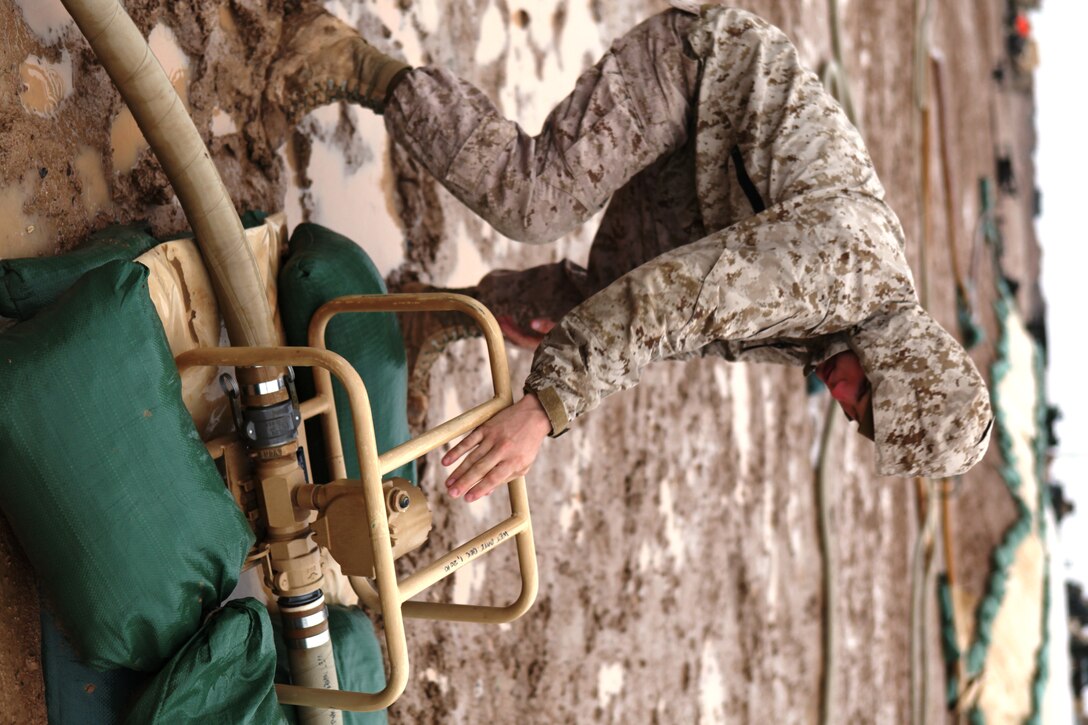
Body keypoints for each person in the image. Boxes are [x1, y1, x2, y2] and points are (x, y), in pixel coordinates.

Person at [265, 2, 993, 503]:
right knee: (535, 198)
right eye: (863, 392)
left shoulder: (848, 331)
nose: (840, 400)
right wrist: (545, 409)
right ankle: (351, 61)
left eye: (858, 417)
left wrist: (569, 352)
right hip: (698, 77)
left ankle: (438, 320)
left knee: (592, 316)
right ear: (895, 358)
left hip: (713, 184)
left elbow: (687, 324)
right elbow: (679, 300)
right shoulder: (842, 271)